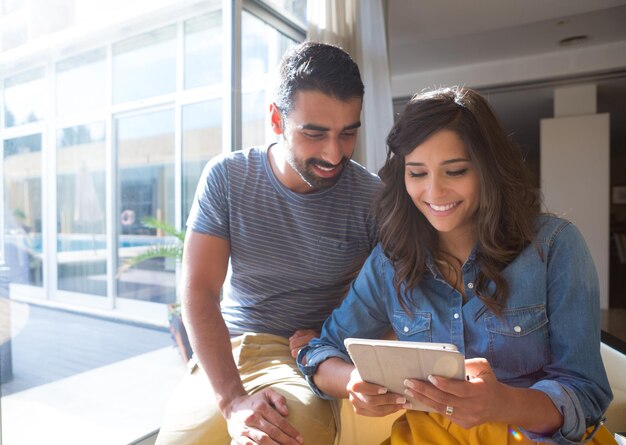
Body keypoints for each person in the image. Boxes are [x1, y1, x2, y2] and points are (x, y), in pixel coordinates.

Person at [298, 87, 617, 445]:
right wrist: (353, 381)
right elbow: (321, 352)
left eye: (455, 171)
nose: (434, 192)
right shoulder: (392, 260)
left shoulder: (555, 246)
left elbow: (585, 396)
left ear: (488, 169)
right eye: (417, 173)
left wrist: (503, 403)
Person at [155, 41, 380, 445]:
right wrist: (232, 401)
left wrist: (333, 347)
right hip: (231, 349)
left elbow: (393, 296)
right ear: (276, 119)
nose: (334, 154)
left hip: (304, 357)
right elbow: (199, 290)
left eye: (348, 134)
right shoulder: (227, 177)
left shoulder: (371, 197)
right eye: (314, 134)